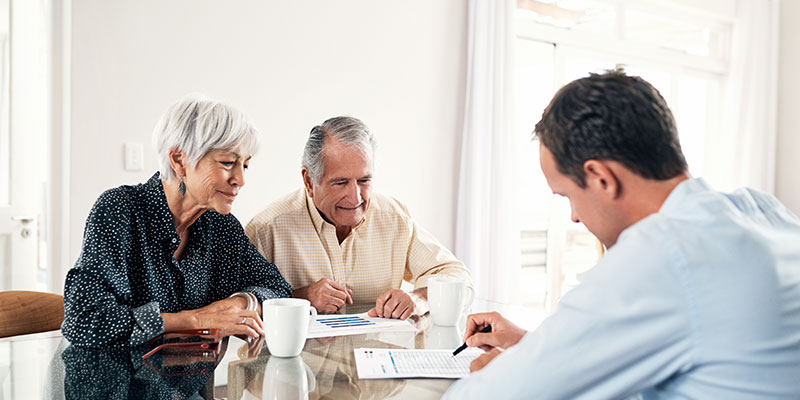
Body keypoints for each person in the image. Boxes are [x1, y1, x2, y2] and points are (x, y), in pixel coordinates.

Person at [444, 70, 800, 398]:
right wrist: (533, 346)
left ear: (601, 178)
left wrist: (507, 370)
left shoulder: (663, 252)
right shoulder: (760, 209)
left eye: (568, 195)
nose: (574, 218)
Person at [62, 94, 292, 347]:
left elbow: (276, 288)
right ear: (179, 160)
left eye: (245, 165)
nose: (240, 179)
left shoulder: (221, 226)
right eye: (228, 162)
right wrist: (194, 320)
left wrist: (235, 306)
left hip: (187, 383)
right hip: (117, 383)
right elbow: (84, 320)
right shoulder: (119, 210)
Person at [245, 116, 471, 319]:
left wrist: (418, 299)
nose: (355, 198)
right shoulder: (267, 229)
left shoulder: (393, 218)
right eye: (340, 182)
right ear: (308, 181)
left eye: (364, 181)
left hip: (376, 360)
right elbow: (236, 306)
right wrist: (299, 298)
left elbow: (458, 277)